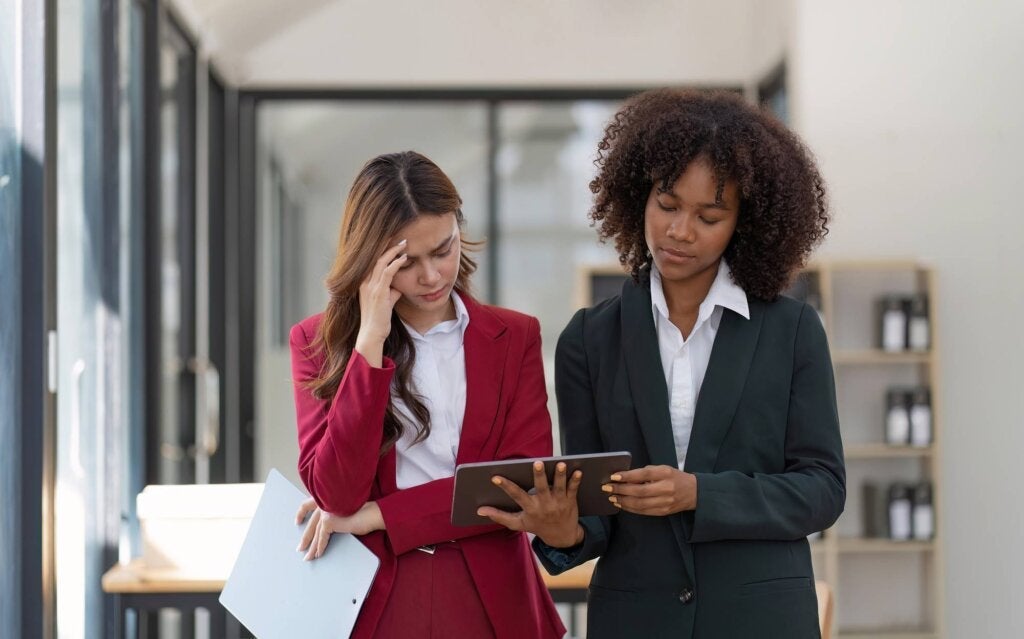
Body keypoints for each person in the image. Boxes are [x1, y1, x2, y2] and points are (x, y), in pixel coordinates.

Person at [479, 89, 846, 639]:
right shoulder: (588, 338)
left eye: (709, 215)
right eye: (667, 204)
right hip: (635, 621)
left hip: (761, 621)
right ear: (638, 197)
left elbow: (822, 489)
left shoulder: (792, 331)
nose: (680, 231)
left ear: (745, 221)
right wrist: (563, 532)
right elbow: (595, 513)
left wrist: (700, 493)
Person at [289, 151, 565, 639]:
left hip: (495, 605)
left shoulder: (516, 336)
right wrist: (369, 342)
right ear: (370, 260)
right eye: (406, 261)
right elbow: (336, 493)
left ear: (459, 228)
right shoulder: (317, 344)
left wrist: (379, 515)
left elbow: (516, 480)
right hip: (376, 603)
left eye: (443, 249)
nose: (433, 276)